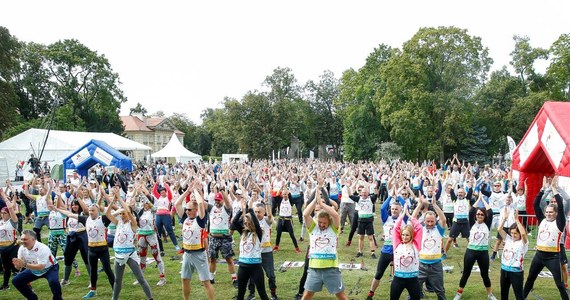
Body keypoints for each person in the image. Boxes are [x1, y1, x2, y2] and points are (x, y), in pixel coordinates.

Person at [523, 176, 569, 300]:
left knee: (559, 285)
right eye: (547, 212)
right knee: (529, 279)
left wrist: (554, 189)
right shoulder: (542, 220)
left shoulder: (560, 223)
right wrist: (543, 189)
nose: (548, 214)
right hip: (539, 256)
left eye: (551, 212)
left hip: (553, 257)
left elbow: (560, 204)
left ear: (556, 213)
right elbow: (535, 203)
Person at [301, 182, 347, 300]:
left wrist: (322, 203)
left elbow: (336, 215)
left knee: (341, 296)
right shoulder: (313, 227)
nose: (321, 225)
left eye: (324, 223)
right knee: (306, 295)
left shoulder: (334, 228)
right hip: (314, 269)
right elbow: (305, 214)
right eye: (320, 222)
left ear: (329, 222)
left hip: (331, 269)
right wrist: (315, 202)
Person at [105, 192, 153, 300]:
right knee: (117, 280)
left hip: (130, 254)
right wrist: (113, 201)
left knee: (140, 279)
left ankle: (150, 298)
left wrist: (119, 199)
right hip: (119, 254)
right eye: (121, 214)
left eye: (124, 213)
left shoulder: (133, 224)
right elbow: (108, 214)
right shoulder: (118, 223)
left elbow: (127, 210)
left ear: (129, 214)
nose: (122, 215)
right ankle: (114, 298)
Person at [174, 180, 214, 300]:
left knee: (206, 282)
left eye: (189, 209)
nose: (187, 211)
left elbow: (201, 204)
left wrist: (196, 190)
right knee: (185, 279)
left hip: (199, 254)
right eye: (186, 209)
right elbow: (177, 204)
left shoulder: (200, 219)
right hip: (187, 253)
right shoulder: (186, 218)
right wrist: (187, 191)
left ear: (195, 210)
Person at [452, 192, 497, 300]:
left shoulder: (487, 224)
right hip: (471, 251)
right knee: (466, 273)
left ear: (484, 216)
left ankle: (490, 294)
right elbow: (472, 210)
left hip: (483, 253)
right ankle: (459, 293)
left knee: (485, 275)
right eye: (478, 214)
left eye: (482, 214)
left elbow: (490, 211)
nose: (479, 216)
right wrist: (478, 199)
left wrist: (483, 199)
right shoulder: (472, 223)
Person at [366, 190, 404, 299]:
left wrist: (399, 196)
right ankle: (371, 294)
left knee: (399, 276)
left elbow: (406, 205)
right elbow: (382, 208)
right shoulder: (386, 218)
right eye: (392, 209)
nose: (394, 211)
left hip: (399, 251)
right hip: (386, 251)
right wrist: (390, 197)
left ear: (400, 210)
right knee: (379, 273)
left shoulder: (403, 219)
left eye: (396, 209)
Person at [232, 195, 270, 300]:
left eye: (248, 223)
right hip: (243, 267)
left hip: (255, 267)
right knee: (240, 294)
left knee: (262, 294)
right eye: (245, 223)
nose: (246, 225)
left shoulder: (258, 233)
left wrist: (250, 210)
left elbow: (256, 224)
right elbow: (234, 222)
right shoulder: (243, 232)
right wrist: (242, 210)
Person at [11, 230, 62, 300]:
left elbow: (41, 267)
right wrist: (17, 265)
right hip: (34, 268)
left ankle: (58, 298)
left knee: (54, 282)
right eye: (22, 239)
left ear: (33, 239)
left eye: (25, 239)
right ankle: (32, 298)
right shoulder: (22, 249)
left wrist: (24, 264)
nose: (22, 241)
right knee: (16, 280)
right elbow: (19, 267)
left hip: (50, 268)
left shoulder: (43, 248)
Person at [246, 197, 279, 300]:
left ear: (263, 212)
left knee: (271, 275)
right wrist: (249, 204)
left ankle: (273, 294)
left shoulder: (266, 220)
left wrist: (268, 202)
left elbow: (269, 215)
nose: (256, 214)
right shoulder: (251, 221)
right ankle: (252, 293)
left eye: (259, 212)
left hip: (266, 252)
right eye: (255, 212)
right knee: (251, 275)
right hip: (254, 252)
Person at [52, 199, 90, 286]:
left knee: (86, 258)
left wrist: (79, 198)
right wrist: (58, 196)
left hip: (82, 237)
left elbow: (85, 209)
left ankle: (92, 280)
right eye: (73, 205)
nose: (74, 206)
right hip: (71, 237)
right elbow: (60, 207)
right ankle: (65, 280)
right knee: (68, 257)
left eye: (76, 205)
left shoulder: (83, 214)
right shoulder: (69, 214)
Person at [390, 202, 423, 300]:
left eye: (407, 235)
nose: (404, 237)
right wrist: (402, 214)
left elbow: (419, 228)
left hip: (412, 280)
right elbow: (396, 228)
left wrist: (409, 216)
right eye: (403, 235)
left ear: (412, 235)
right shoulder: (397, 244)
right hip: (398, 279)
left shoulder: (416, 245)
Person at [417, 195, 447, 300]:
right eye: (428, 221)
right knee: (415, 289)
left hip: (436, 266)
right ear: (424, 221)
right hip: (421, 265)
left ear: (435, 221)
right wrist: (419, 205)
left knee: (440, 291)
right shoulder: (420, 229)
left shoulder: (439, 230)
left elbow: (443, 220)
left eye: (432, 221)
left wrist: (434, 205)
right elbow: (412, 219)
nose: (430, 223)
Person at [207, 186, 238, 287]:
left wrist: (222, 191)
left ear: (222, 200)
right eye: (216, 200)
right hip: (213, 238)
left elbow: (228, 202)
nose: (217, 202)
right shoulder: (211, 208)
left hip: (224, 238)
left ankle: (234, 279)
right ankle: (211, 278)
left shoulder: (226, 209)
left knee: (229, 259)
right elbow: (202, 203)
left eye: (219, 200)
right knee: (212, 259)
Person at [497, 209, 528, 300]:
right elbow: (499, 229)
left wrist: (517, 220)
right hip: (504, 270)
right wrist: (504, 219)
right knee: (504, 294)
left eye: (515, 233)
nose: (513, 235)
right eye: (512, 233)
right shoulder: (508, 239)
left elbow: (523, 234)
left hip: (516, 272)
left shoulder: (523, 243)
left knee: (519, 295)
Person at [273, 186, 301, 253]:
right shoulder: (280, 200)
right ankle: (276, 246)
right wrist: (281, 187)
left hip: (288, 219)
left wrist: (286, 190)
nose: (285, 195)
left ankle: (297, 248)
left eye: (286, 194)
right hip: (280, 219)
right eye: (283, 194)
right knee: (278, 234)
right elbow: (277, 195)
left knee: (292, 234)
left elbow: (290, 195)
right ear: (282, 195)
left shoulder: (290, 201)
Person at [0, 194, 19, 290]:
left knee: (16, 267)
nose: (3, 214)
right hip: (2, 248)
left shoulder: (13, 221)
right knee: (6, 268)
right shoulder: (0, 222)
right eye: (2, 213)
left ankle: (28, 285)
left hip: (12, 246)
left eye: (5, 213)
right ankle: (5, 285)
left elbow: (11, 209)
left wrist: (4, 197)